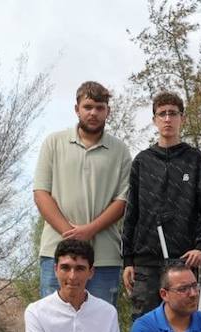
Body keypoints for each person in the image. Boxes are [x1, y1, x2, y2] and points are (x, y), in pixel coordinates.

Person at [33, 81, 131, 310]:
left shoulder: (120, 150)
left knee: (99, 328)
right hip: (56, 252)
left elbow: (123, 201)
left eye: (99, 107)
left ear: (108, 111)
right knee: (53, 324)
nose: (93, 113)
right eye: (88, 107)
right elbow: (41, 193)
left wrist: (89, 230)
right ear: (77, 109)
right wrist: (71, 234)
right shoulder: (53, 143)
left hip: (104, 257)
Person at [120, 91, 201, 317]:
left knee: (184, 325)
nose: (167, 119)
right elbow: (131, 213)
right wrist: (128, 260)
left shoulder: (194, 159)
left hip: (183, 260)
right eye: (162, 114)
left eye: (172, 113)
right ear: (154, 119)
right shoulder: (142, 162)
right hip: (145, 263)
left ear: (181, 118)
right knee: (145, 327)